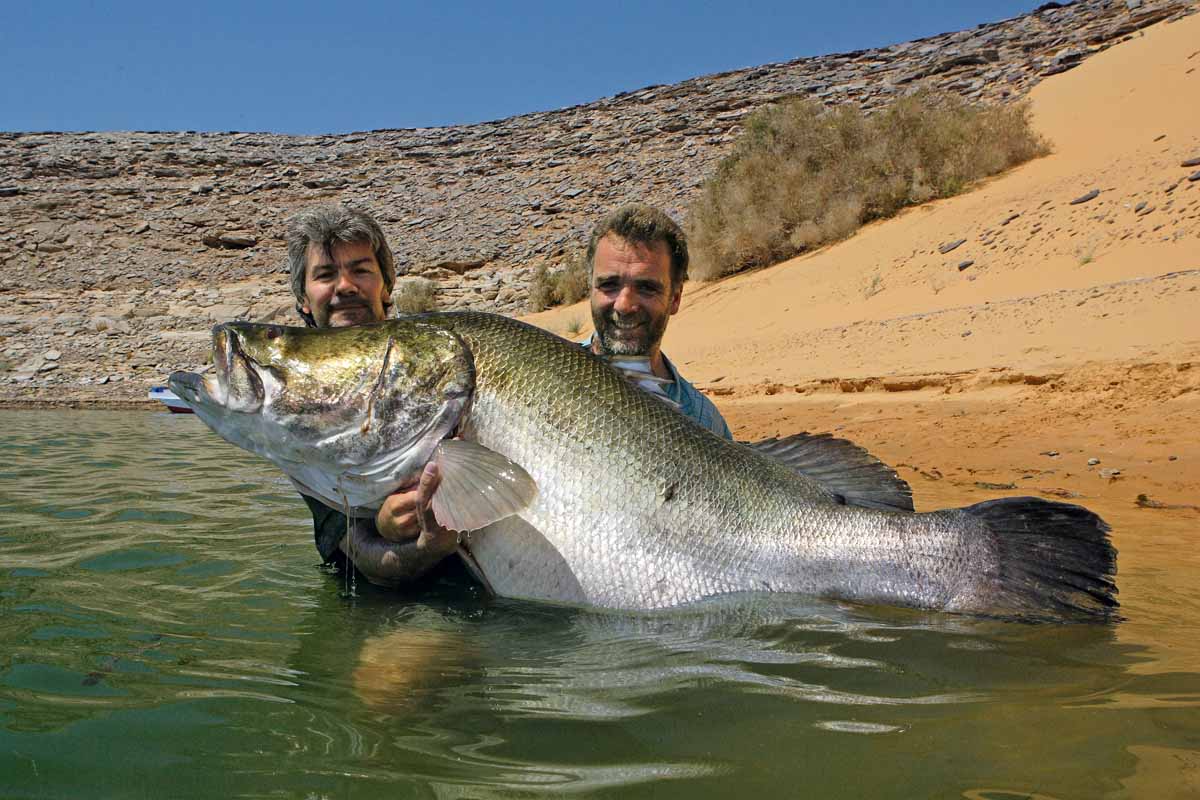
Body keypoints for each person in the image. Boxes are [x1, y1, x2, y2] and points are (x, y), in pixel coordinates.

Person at [284, 203, 461, 587]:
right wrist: (409, 535)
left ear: (387, 284)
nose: (345, 286)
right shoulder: (300, 410)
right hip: (384, 601)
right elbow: (363, 556)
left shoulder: (440, 357)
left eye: (361, 270)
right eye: (326, 274)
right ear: (303, 298)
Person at [579, 204, 732, 439]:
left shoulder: (706, 423)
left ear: (675, 299)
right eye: (609, 285)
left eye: (647, 288)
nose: (624, 305)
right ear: (590, 290)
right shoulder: (538, 378)